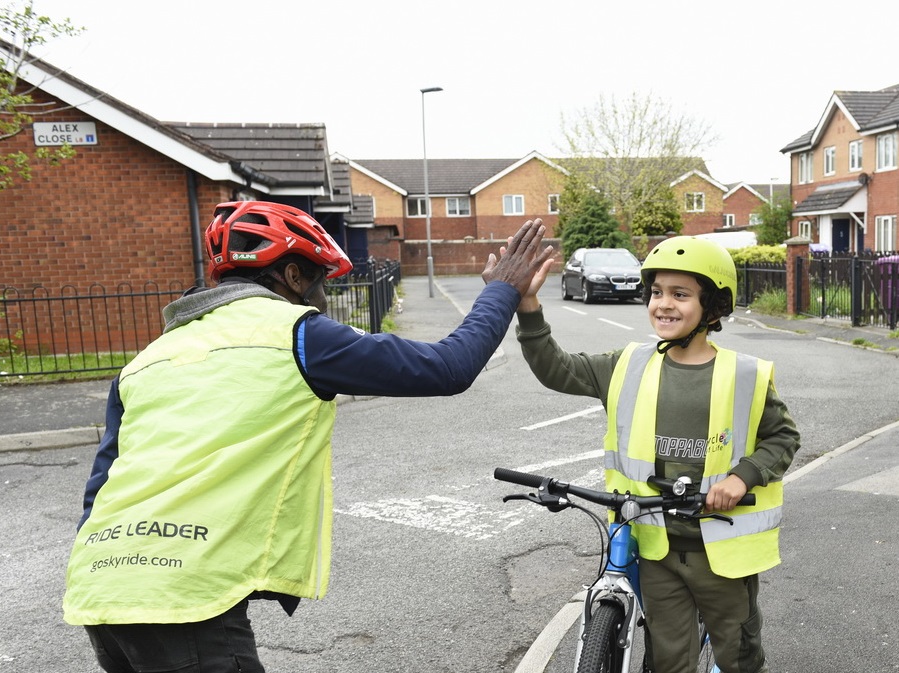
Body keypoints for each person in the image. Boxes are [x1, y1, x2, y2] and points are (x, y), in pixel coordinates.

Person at [62, 201, 555, 673]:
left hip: (99, 588)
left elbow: (99, 489)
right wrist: (502, 290)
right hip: (183, 599)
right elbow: (448, 368)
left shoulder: (149, 358)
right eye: (321, 283)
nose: (323, 301)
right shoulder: (298, 333)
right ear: (293, 277)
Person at [514, 236, 799, 673]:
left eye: (680, 294)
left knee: (739, 656)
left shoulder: (745, 375)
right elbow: (557, 367)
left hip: (719, 552)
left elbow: (782, 438)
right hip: (656, 549)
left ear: (714, 306)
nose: (663, 304)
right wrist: (529, 304)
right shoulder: (626, 365)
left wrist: (741, 477)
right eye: (657, 292)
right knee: (669, 660)